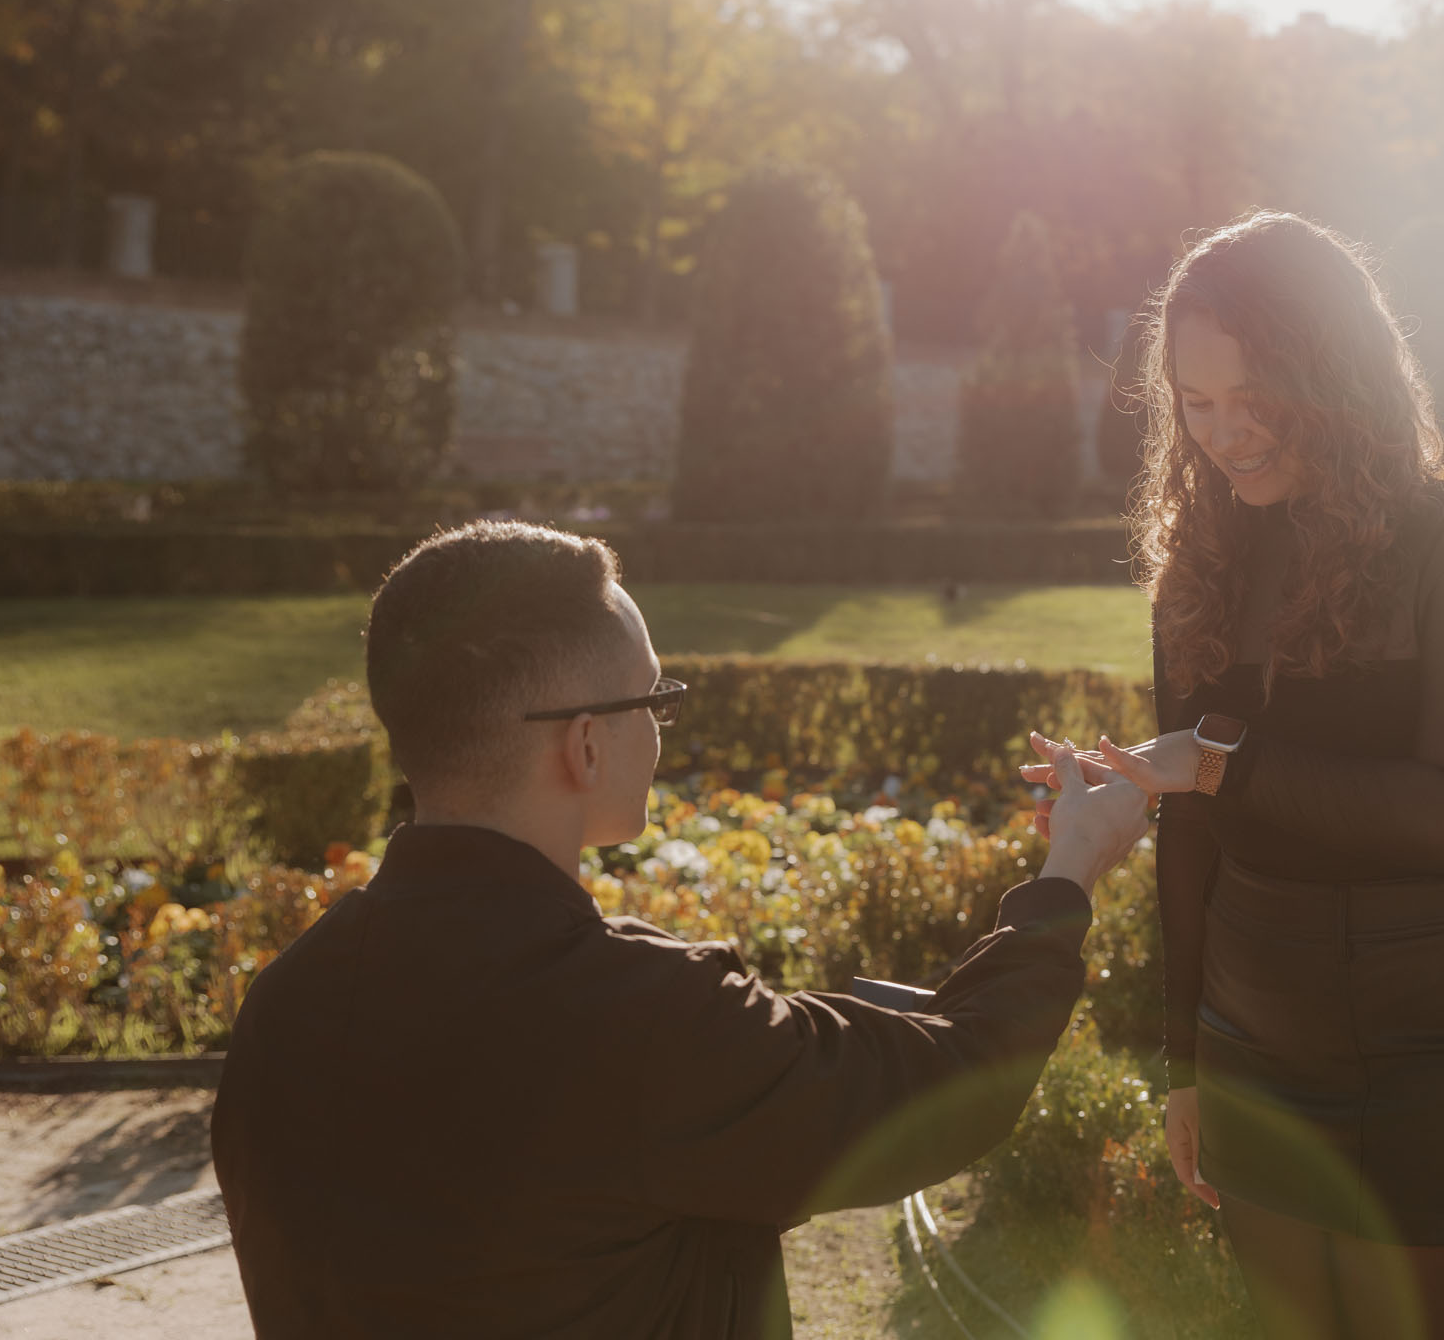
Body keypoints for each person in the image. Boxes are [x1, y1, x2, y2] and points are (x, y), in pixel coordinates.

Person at [213, 521, 1147, 1339]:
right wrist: (1067, 875)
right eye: (654, 703)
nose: (663, 729)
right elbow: (953, 1085)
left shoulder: (283, 1003)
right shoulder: (635, 1016)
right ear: (584, 745)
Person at [1026, 213, 1444, 1340]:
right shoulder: (1202, 559)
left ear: (1333, 374)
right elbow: (1192, 829)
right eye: (1195, 401)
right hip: (1259, 1035)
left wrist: (1222, 764)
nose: (1222, 434)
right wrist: (1185, 1059)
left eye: (1253, 397)